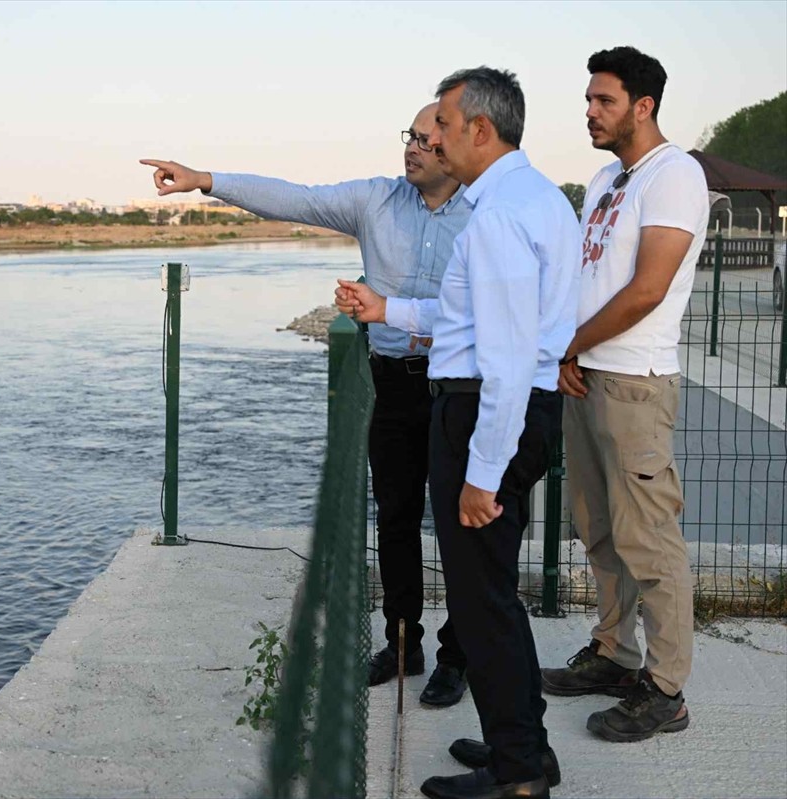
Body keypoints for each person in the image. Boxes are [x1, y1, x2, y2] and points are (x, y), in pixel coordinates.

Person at [140, 101, 472, 708]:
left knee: (457, 523)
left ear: (457, 143)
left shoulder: (486, 213)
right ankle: (404, 645)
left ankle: (458, 654)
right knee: (396, 519)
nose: (413, 148)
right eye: (410, 137)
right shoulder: (375, 200)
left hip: (460, 386)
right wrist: (205, 181)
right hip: (393, 382)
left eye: (428, 139)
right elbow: (291, 197)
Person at [337, 67, 579, 799]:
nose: (432, 137)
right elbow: (475, 321)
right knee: (493, 590)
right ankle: (526, 747)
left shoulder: (500, 216)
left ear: (480, 127)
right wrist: (391, 311)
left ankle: (518, 777)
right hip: (503, 408)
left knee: (482, 602)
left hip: (485, 413)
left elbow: (503, 358)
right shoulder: (534, 200)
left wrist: (481, 472)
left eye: (442, 122)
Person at [541, 46, 707, 744]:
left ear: (643, 105)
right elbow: (587, 275)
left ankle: (666, 688)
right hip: (585, 376)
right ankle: (613, 653)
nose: (589, 111)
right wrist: (566, 351)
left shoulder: (676, 176)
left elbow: (648, 288)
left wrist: (570, 345)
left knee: (650, 539)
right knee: (598, 527)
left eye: (602, 100)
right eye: (588, 99)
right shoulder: (606, 178)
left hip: (634, 382)